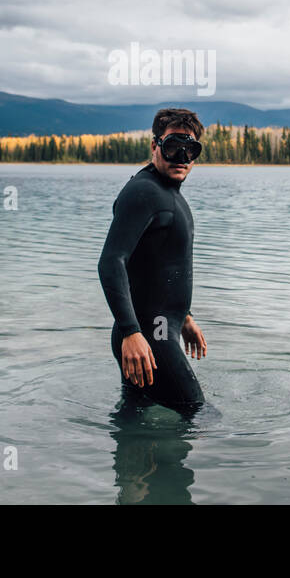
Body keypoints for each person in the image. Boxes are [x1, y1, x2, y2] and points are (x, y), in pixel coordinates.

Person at [97, 108, 208, 413]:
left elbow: (156, 263)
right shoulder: (143, 192)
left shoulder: (166, 193)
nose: (182, 157)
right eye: (173, 147)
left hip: (153, 330)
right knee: (198, 415)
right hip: (149, 335)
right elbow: (111, 262)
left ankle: (133, 460)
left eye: (191, 149)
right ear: (155, 146)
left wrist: (184, 316)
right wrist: (133, 333)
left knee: (135, 414)